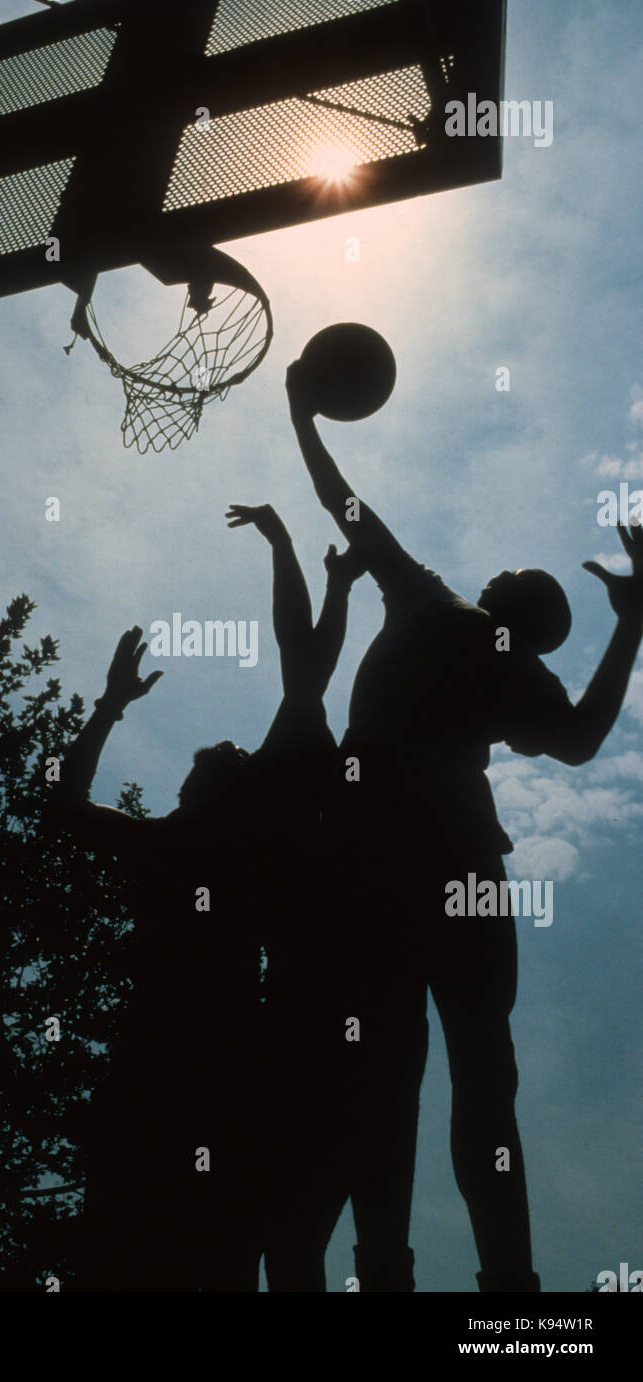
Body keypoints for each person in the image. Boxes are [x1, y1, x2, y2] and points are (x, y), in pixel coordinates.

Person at [285, 359, 643, 1292]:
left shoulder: (430, 602)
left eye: (513, 571)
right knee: (483, 1079)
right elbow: (579, 742)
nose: (501, 564)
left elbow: (344, 505)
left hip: (377, 861)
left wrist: (301, 412)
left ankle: (390, 1271)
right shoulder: (514, 670)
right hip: (458, 869)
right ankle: (508, 1291)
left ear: (511, 602)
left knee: (390, 1080)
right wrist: (634, 625)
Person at [45, 507, 364, 1291]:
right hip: (214, 1063)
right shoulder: (235, 849)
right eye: (222, 750)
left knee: (146, 1242)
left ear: (199, 790)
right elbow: (308, 667)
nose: (230, 744)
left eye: (228, 752)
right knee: (197, 1246)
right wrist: (317, 570)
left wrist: (111, 704)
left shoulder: (181, 846)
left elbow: (60, 803)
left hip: (179, 1061)